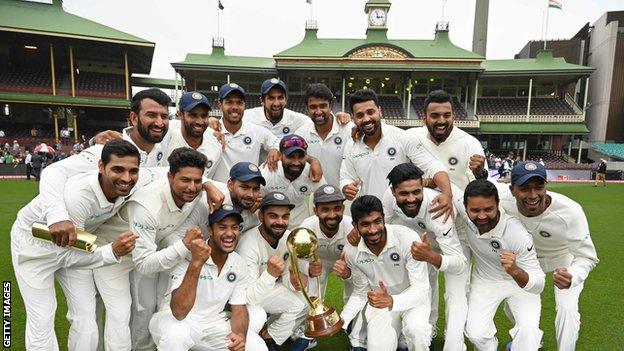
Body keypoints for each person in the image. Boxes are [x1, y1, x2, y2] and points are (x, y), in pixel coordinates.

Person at [9, 144, 138, 350]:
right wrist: (111, 252)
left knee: (86, 320)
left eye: (133, 171)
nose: (126, 178)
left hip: (75, 245)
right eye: (118, 170)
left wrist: (208, 186)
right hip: (32, 247)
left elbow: (161, 174)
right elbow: (67, 256)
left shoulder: (133, 181)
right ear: (101, 167)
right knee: (42, 316)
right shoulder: (77, 197)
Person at [123, 148, 215, 351]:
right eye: (185, 180)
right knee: (143, 310)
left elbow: (222, 186)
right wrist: (183, 245)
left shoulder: (198, 192)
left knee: (164, 306)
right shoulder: (146, 205)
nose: (192, 188)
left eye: (197, 181)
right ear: (170, 177)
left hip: (166, 248)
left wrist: (209, 187)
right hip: (130, 253)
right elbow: (143, 264)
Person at [500, 161, 599, 351]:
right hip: (526, 260)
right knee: (512, 305)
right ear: (512, 189)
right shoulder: (501, 199)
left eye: (539, 187)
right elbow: (469, 192)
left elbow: (587, 257)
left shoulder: (570, 211)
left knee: (566, 309)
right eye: (524, 188)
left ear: (546, 186)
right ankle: (530, 338)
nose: (533, 195)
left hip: (563, 259)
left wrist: (574, 275)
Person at [149, 206, 267, 351]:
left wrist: (240, 336)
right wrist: (197, 263)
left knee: (257, 347)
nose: (230, 233)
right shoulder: (188, 256)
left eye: (235, 227)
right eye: (222, 227)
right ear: (210, 230)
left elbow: (239, 307)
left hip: (211, 325)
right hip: (172, 321)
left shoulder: (239, 263)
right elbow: (179, 312)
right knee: (177, 335)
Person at [382, 163, 468, 350]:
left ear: (423, 187)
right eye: (404, 194)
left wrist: (431, 256)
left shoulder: (438, 209)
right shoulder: (388, 198)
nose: (411, 199)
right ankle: (421, 328)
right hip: (417, 235)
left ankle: (449, 340)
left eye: (416, 192)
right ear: (393, 191)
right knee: (420, 281)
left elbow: (461, 264)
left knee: (455, 292)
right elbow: (383, 226)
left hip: (454, 234)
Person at [457, 179, 545, 351]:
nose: (481, 216)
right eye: (475, 210)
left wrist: (515, 270)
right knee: (476, 334)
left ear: (498, 205)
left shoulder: (517, 234)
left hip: (520, 284)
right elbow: (449, 188)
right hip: (486, 281)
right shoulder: (462, 209)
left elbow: (539, 284)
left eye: (488, 209)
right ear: (465, 206)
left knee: (528, 338)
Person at [339, 89, 453, 219]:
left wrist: (447, 194)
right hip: (371, 218)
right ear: (353, 118)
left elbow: (434, 167)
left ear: (379, 111)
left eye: (371, 112)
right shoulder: (351, 144)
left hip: (401, 218)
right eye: (360, 115)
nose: (366, 119)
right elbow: (346, 176)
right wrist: (346, 187)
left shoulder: (401, 137)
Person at [340, 195, 432, 351]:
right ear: (355, 225)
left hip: (413, 299)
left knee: (417, 331)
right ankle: (400, 338)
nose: (373, 230)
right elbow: (361, 292)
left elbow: (421, 290)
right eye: (365, 224)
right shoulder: (351, 251)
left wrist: (392, 300)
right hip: (381, 303)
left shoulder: (407, 238)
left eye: (377, 221)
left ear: (383, 218)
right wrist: (342, 320)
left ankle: (405, 337)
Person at [236, 192, 310, 351]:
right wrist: (270, 274)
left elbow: (286, 275)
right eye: (273, 216)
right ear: (261, 216)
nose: (280, 222)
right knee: (259, 315)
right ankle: (261, 336)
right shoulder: (248, 244)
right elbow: (249, 296)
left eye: (285, 217)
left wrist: (293, 282)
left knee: (303, 302)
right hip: (243, 298)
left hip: (266, 288)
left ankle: (270, 338)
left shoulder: (289, 237)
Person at [212, 83, 280, 182]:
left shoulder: (256, 131)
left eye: (239, 102)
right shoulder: (212, 131)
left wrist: (274, 149)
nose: (235, 107)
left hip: (248, 193)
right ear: (220, 105)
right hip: (218, 194)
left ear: (244, 105)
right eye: (229, 102)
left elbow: (280, 144)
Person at [295, 83, 354, 187]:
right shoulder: (301, 133)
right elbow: (293, 158)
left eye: (323, 106)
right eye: (313, 107)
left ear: (330, 105)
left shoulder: (348, 130)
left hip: (345, 198)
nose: (318, 112)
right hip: (315, 199)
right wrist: (311, 159)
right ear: (307, 108)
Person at [261, 134, 327, 228]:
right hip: (272, 224)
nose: (296, 163)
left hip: (301, 223)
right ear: (280, 155)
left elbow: (326, 197)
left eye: (300, 157)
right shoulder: (267, 172)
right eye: (290, 157)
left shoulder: (312, 171)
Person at [159, 91, 222, 178]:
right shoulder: (166, 137)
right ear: (180, 114)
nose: (199, 121)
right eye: (193, 115)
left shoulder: (215, 146)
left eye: (204, 116)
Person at [211, 161, 265, 234]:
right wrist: (206, 185)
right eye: (244, 187)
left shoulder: (257, 213)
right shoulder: (213, 197)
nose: (251, 195)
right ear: (230, 185)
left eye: (256, 189)